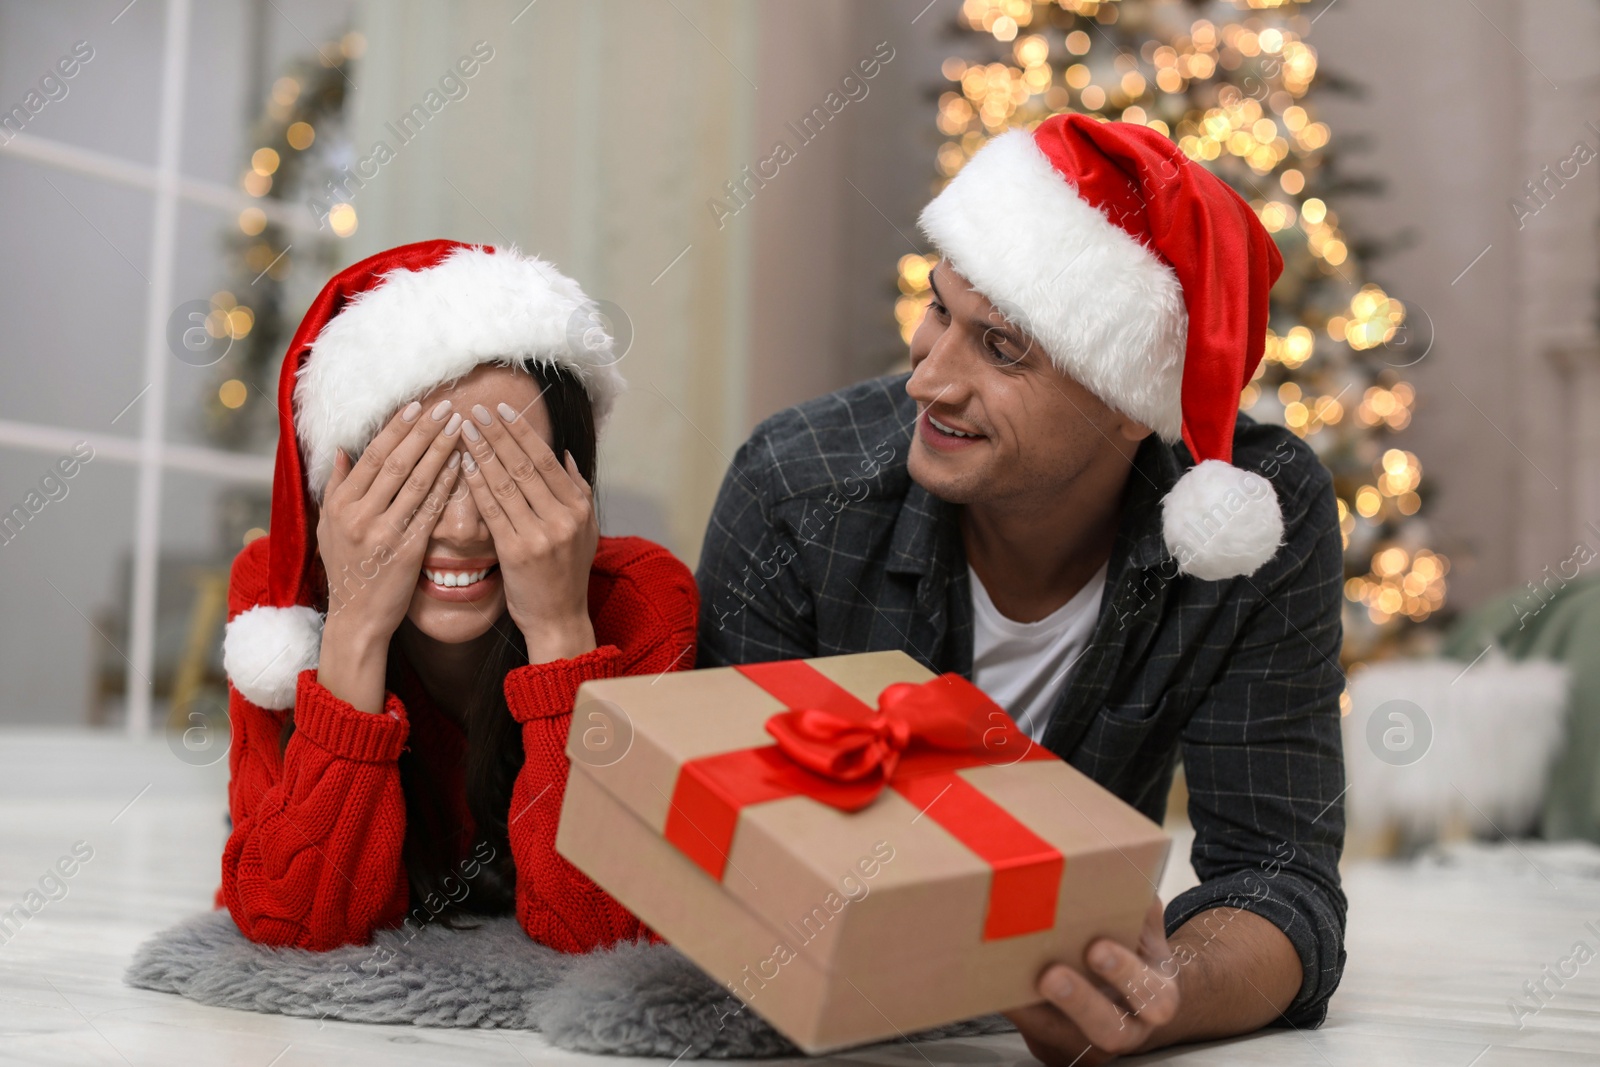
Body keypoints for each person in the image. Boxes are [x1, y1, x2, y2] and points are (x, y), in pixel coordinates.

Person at [697, 115, 1345, 1063]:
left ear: (1133, 406)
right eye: (938, 309)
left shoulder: (1254, 522)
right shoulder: (798, 489)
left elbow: (1281, 879)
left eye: (1002, 351)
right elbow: (726, 862)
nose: (930, 379)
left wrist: (1170, 990)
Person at [218, 240, 697, 953]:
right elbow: (293, 923)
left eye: (507, 477)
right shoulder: (276, 597)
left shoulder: (641, 600)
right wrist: (352, 630)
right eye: (419, 477)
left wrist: (562, 631)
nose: (465, 528)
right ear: (341, 485)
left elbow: (608, 933)